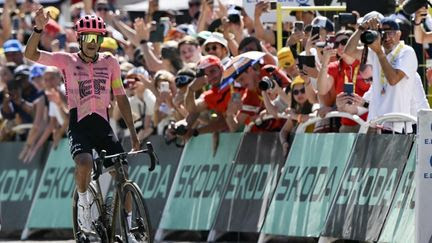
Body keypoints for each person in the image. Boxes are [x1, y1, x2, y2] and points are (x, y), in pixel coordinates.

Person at [24, 9, 140, 240]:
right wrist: (38, 29)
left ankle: (129, 228)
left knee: (122, 174)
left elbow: (121, 97)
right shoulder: (67, 60)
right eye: (87, 37)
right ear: (79, 38)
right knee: (84, 163)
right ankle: (85, 202)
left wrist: (133, 133)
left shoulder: (110, 62)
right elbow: (31, 54)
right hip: (79, 124)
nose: (92, 43)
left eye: (96, 38)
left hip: (104, 125)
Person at [345, 17, 418, 133]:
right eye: (383, 33)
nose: (387, 38)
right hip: (375, 123)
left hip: (396, 125)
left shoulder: (407, 52)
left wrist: (379, 52)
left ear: (399, 34)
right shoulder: (377, 51)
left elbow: (393, 80)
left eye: (391, 33)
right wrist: (360, 29)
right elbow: (348, 51)